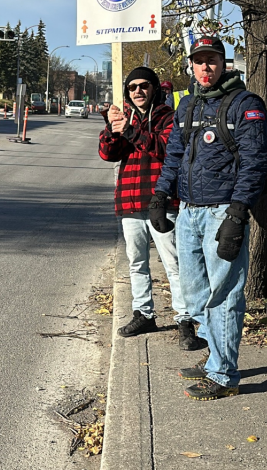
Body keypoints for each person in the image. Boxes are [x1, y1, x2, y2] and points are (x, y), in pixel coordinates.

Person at [151, 36, 267, 401]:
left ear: (224, 63)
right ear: (191, 64)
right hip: (189, 212)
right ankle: (214, 359)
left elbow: (256, 162)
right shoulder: (187, 104)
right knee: (194, 294)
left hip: (223, 211)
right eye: (199, 61)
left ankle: (223, 374)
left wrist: (238, 213)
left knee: (224, 295)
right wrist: (160, 194)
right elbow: (174, 154)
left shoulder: (245, 105)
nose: (206, 68)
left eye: (212, 61)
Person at [99, 67, 204, 351]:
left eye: (144, 85)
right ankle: (143, 314)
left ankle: (185, 320)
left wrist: (132, 131)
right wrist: (112, 128)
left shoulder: (168, 117)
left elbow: (165, 148)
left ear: (155, 88)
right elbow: (108, 154)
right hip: (130, 202)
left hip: (161, 202)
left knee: (174, 263)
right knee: (136, 263)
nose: (138, 91)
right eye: (132, 87)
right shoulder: (124, 117)